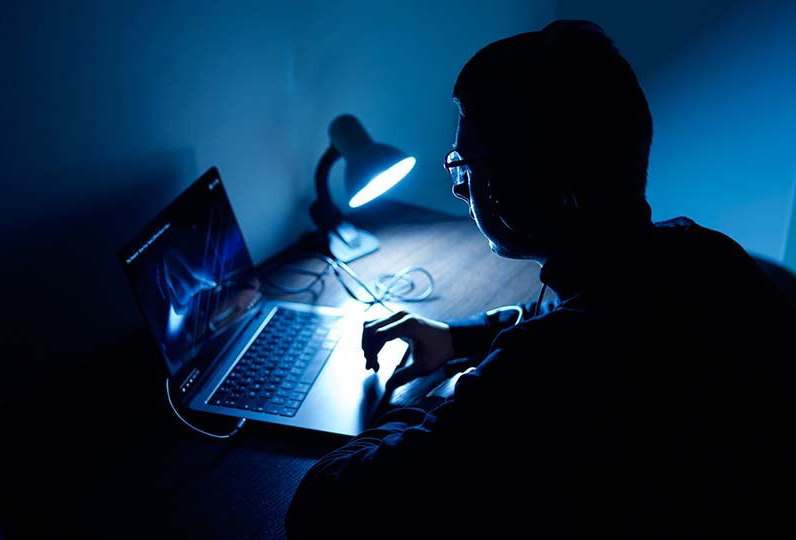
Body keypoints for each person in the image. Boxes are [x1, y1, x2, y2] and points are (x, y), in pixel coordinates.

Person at [285, 20, 796, 539]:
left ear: (546, 186)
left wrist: (424, 398)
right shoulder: (699, 251)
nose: (464, 191)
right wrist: (458, 338)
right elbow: (596, 317)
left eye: (469, 167)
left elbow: (322, 506)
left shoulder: (551, 367)